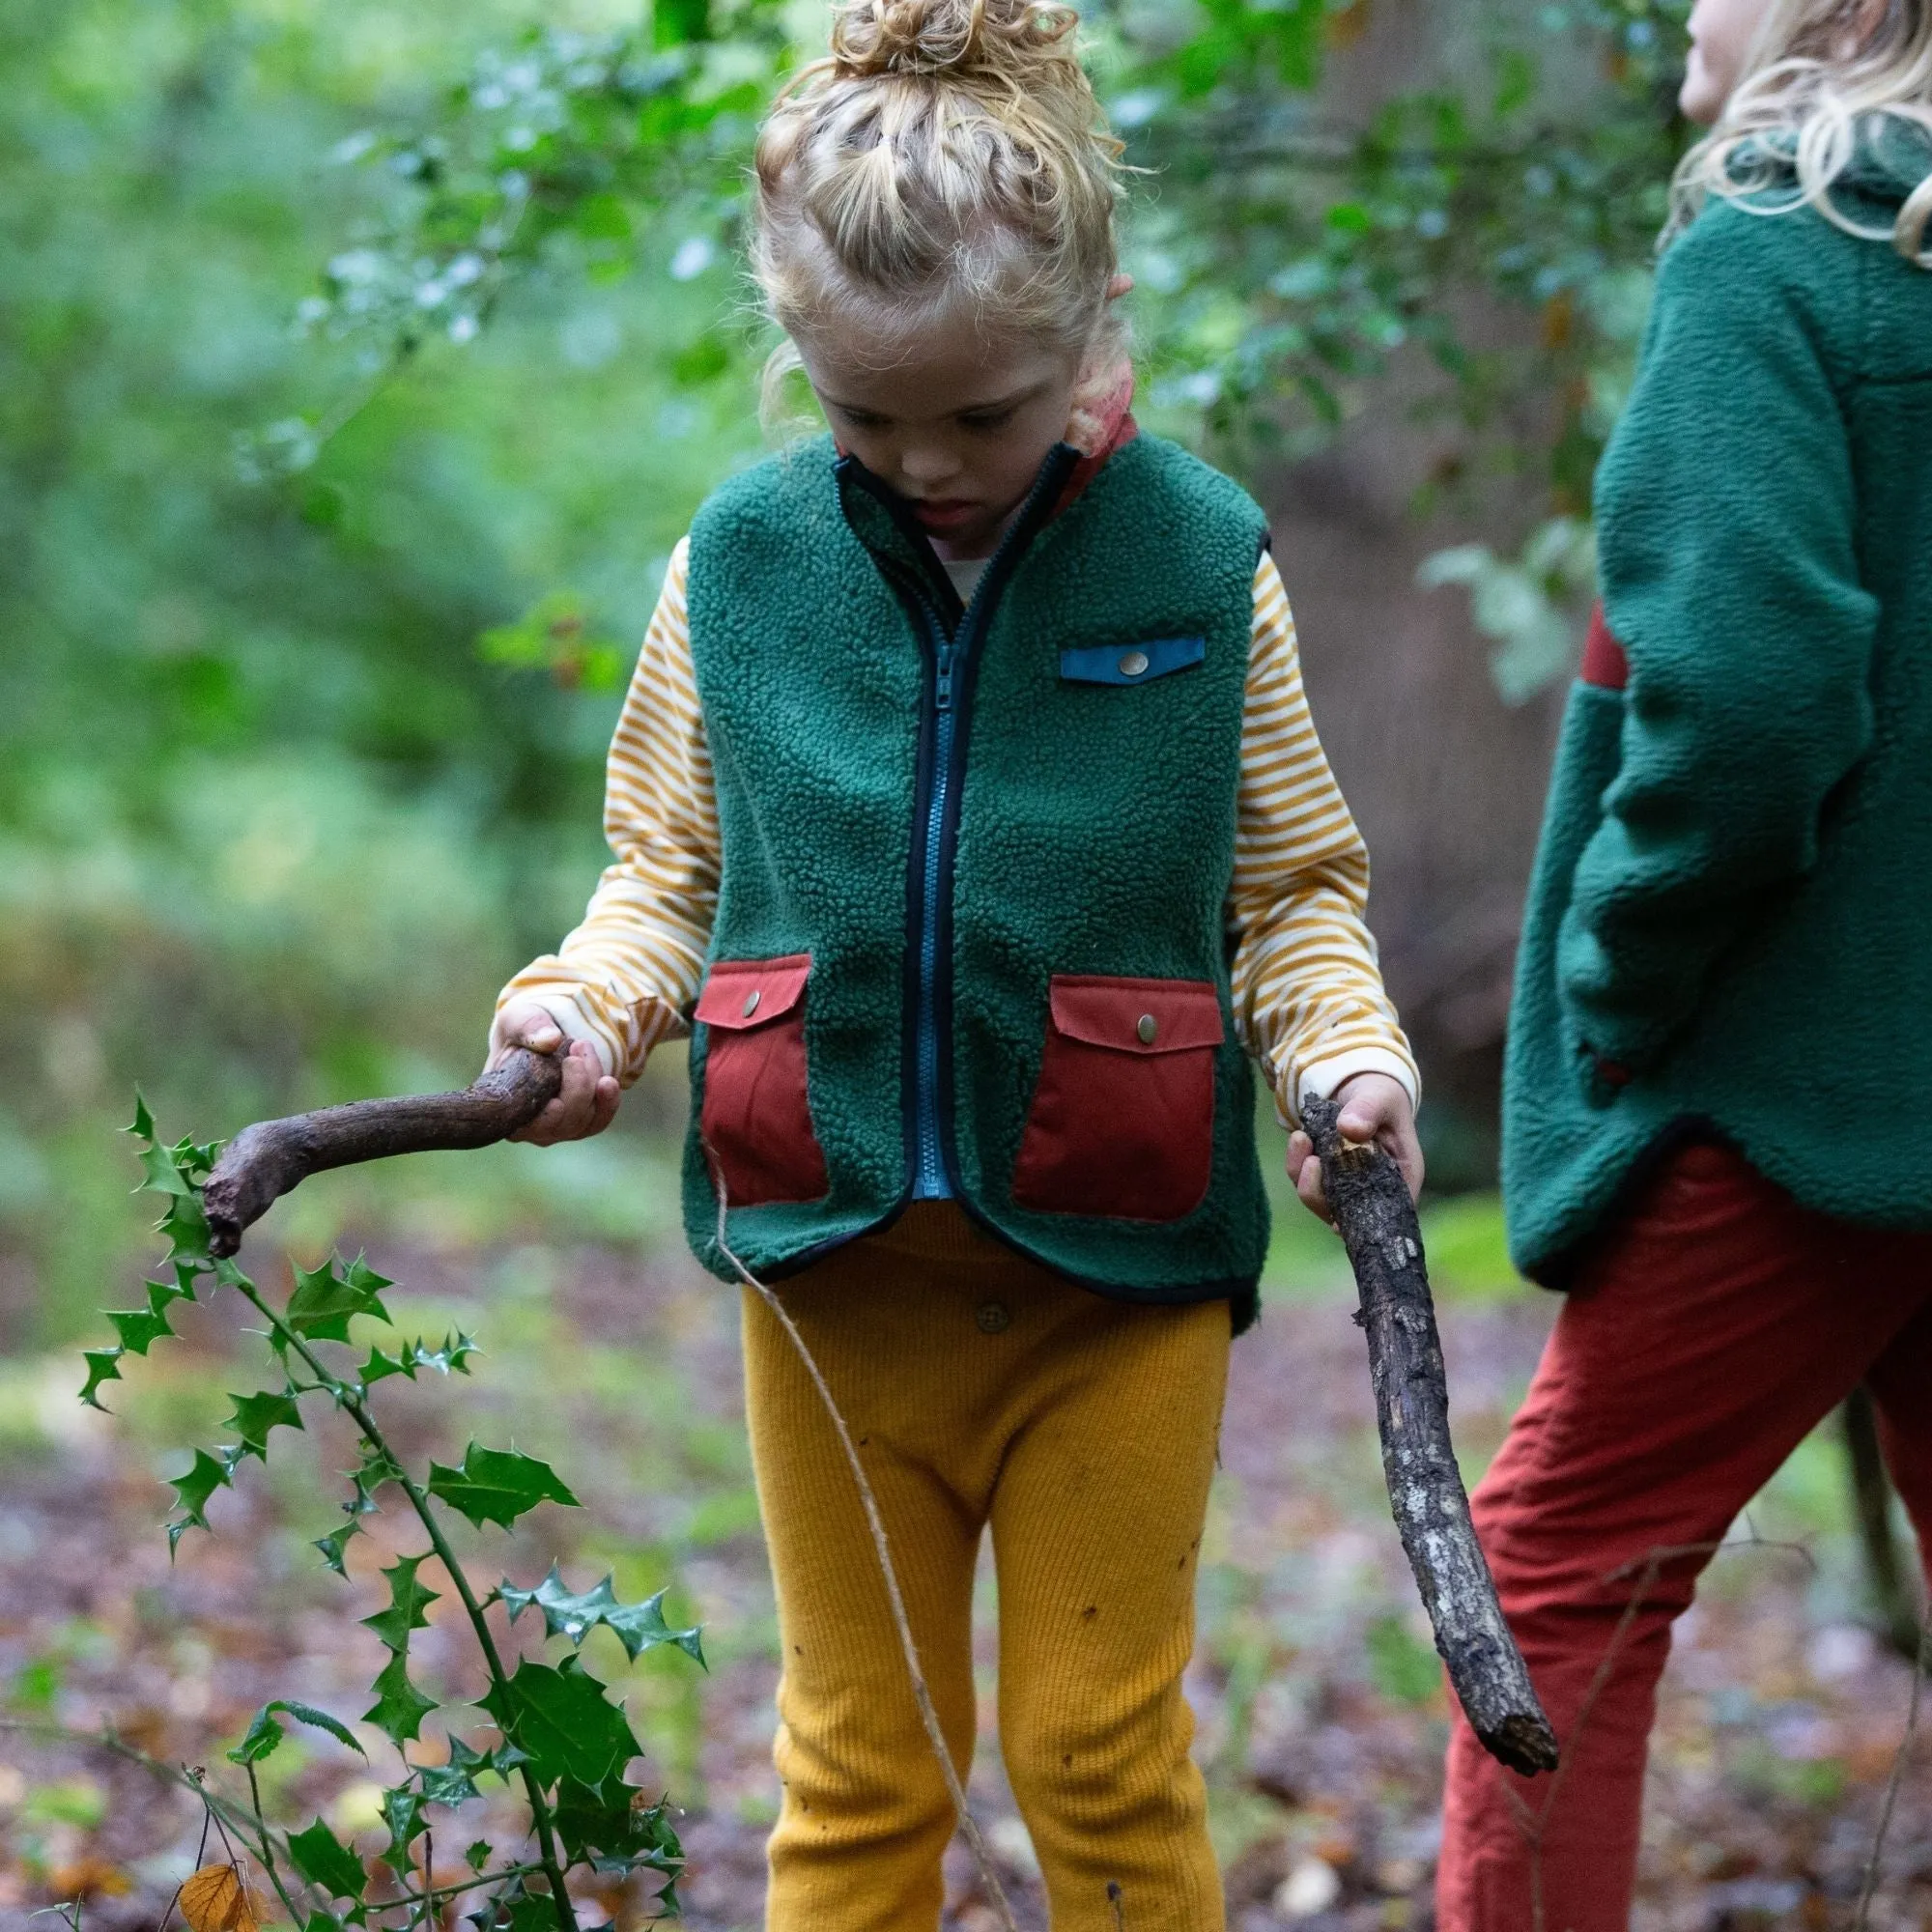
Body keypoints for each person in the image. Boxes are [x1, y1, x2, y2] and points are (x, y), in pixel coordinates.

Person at [485, 0, 1420, 1923]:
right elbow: (662, 871)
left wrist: (1344, 1058)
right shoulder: (732, 569)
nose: (921, 460)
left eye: (977, 413)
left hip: (1113, 1273)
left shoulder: (1197, 563)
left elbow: (1288, 893)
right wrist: (584, 1003)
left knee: (1095, 1748)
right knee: (858, 1763)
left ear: (1093, 324)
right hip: (833, 1283)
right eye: (862, 415)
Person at [1436, 1, 1932, 1925]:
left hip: (1790, 1086)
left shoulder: (1771, 256)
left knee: (1557, 1578)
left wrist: (1616, 983)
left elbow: (1744, 699)